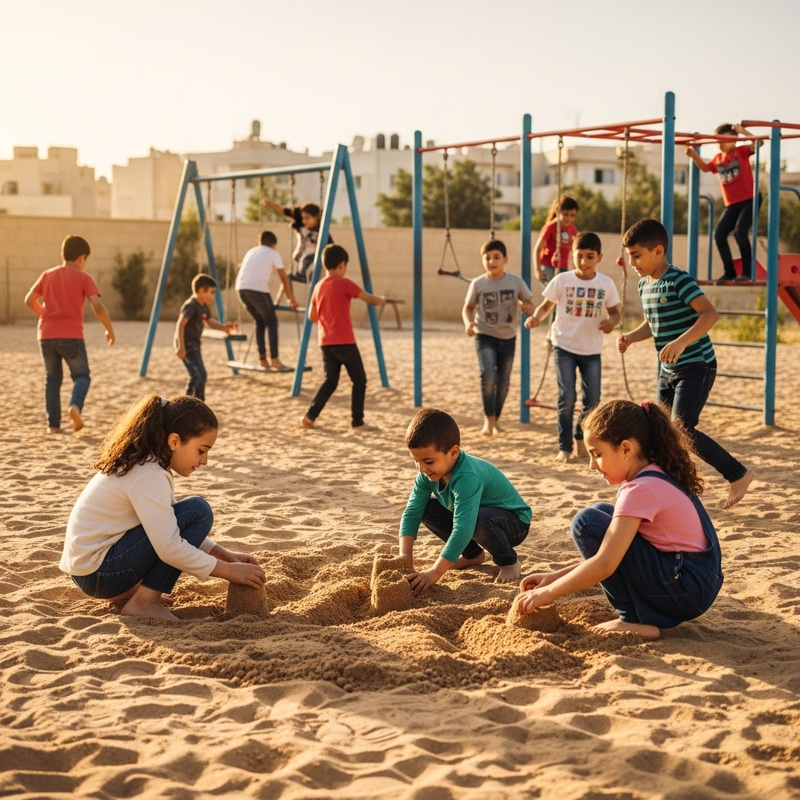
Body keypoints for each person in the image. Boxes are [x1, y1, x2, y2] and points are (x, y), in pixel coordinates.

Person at [516, 399, 724, 640]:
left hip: (685, 591)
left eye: (597, 454)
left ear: (626, 449)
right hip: (696, 584)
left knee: (588, 523)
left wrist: (549, 593)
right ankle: (643, 614)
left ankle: (633, 618)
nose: (592, 465)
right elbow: (616, 551)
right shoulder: (659, 473)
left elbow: (606, 563)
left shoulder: (639, 490)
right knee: (603, 513)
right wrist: (555, 576)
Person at [60, 394, 266, 621]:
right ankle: (144, 601)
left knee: (189, 516)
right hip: (100, 572)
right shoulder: (149, 474)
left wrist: (226, 556)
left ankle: (136, 594)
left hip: (88, 571)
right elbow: (170, 545)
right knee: (198, 511)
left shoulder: (145, 463)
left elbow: (168, 524)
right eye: (201, 450)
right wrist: (228, 571)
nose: (205, 460)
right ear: (175, 441)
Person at [618, 219, 753, 509]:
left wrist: (681, 342)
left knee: (683, 427)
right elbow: (652, 323)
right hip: (668, 371)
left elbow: (709, 314)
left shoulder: (679, 280)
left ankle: (737, 474)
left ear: (658, 251)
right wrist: (631, 337)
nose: (632, 263)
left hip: (697, 364)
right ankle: (673, 487)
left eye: (637, 255)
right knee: (663, 431)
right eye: (629, 256)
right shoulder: (644, 285)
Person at [399, 408, 532, 591]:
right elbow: (412, 512)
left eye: (428, 462)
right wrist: (404, 557)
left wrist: (435, 573)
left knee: (477, 520)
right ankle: (472, 555)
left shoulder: (467, 476)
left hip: (514, 522)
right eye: (416, 461)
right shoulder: (426, 474)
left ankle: (508, 561)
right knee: (426, 508)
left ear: (454, 452)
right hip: (478, 519)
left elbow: (463, 528)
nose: (421, 468)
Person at [525, 232, 621, 462]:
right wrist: (536, 318)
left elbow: (615, 313)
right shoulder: (562, 280)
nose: (584, 262)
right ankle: (564, 446)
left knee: (593, 400)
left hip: (591, 350)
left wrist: (611, 323)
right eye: (579, 256)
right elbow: (545, 306)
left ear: (599, 257)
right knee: (567, 397)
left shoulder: (605, 284)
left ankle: (580, 436)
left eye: (590, 256)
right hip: (564, 346)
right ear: (572, 256)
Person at [24, 234, 116, 434]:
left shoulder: (47, 274)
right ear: (82, 258)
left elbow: (29, 300)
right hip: (71, 335)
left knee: (52, 379)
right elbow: (98, 307)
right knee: (82, 375)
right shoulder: (84, 278)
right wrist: (109, 329)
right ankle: (75, 407)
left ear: (62, 255)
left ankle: (53, 426)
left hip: (46, 334)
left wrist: (46, 315)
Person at [301, 244, 386, 430]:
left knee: (330, 381)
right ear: (341, 265)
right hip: (345, 341)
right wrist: (381, 300)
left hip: (325, 342)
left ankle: (310, 416)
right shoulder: (344, 283)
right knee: (359, 380)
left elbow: (312, 316)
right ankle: (357, 421)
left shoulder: (318, 287)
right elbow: (368, 298)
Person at [462, 239, 535, 436]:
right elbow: (467, 309)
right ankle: (488, 420)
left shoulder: (515, 281)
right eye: (487, 258)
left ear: (505, 259)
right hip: (485, 335)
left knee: (503, 381)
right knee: (488, 375)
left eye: (496, 257)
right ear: (483, 260)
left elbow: (528, 302)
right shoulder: (478, 283)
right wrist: (468, 323)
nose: (492, 261)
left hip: (508, 337)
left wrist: (528, 307)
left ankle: (496, 419)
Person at [684, 124, 759, 283]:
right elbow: (705, 168)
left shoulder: (741, 152)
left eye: (724, 139)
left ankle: (747, 272)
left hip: (750, 199)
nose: (720, 143)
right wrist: (693, 155)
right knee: (719, 235)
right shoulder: (718, 158)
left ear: (735, 140)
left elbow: (758, 143)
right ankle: (730, 272)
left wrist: (743, 131)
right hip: (732, 204)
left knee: (740, 231)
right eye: (718, 140)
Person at [236, 230, 298, 371]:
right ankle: (275, 360)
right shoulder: (272, 253)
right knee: (272, 322)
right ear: (274, 245)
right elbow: (284, 277)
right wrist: (291, 299)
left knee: (260, 322)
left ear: (259, 242)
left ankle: (263, 359)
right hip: (257, 290)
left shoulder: (251, 251)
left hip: (241, 289)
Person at [174, 274, 235, 401]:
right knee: (196, 376)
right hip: (186, 345)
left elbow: (209, 321)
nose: (213, 296)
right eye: (212, 292)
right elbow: (181, 324)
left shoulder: (203, 307)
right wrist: (181, 346)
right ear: (202, 290)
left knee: (202, 375)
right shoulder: (191, 305)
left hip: (195, 345)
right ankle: (186, 403)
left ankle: (199, 402)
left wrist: (223, 327)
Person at [261, 199, 331, 284]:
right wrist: (269, 203)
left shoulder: (322, 230)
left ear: (316, 217)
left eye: (307, 218)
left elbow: (331, 246)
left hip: (314, 255)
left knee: (308, 262)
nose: (304, 221)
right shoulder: (300, 225)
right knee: (301, 260)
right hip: (302, 252)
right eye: (303, 218)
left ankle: (304, 275)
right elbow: (283, 211)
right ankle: (302, 275)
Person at [533, 195, 579, 285]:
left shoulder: (572, 229)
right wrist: (537, 270)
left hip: (563, 266)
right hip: (548, 265)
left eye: (572, 215)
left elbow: (575, 249)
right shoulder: (550, 227)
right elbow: (538, 248)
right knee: (552, 293)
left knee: (563, 294)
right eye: (566, 214)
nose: (569, 218)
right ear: (557, 211)